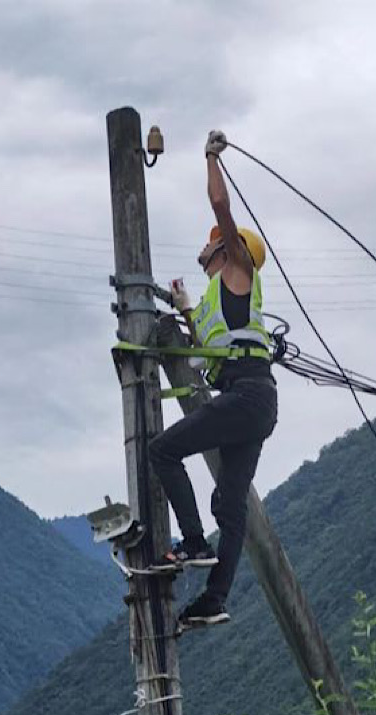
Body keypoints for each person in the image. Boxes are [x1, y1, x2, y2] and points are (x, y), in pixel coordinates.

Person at [149, 129, 278, 629]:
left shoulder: (239, 270)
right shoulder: (217, 297)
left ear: (227, 247)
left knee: (163, 450)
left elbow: (221, 205)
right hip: (255, 401)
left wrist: (210, 158)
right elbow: (205, 341)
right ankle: (214, 597)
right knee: (229, 501)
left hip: (246, 393)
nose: (204, 247)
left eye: (211, 241)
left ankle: (193, 543)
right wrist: (184, 309)